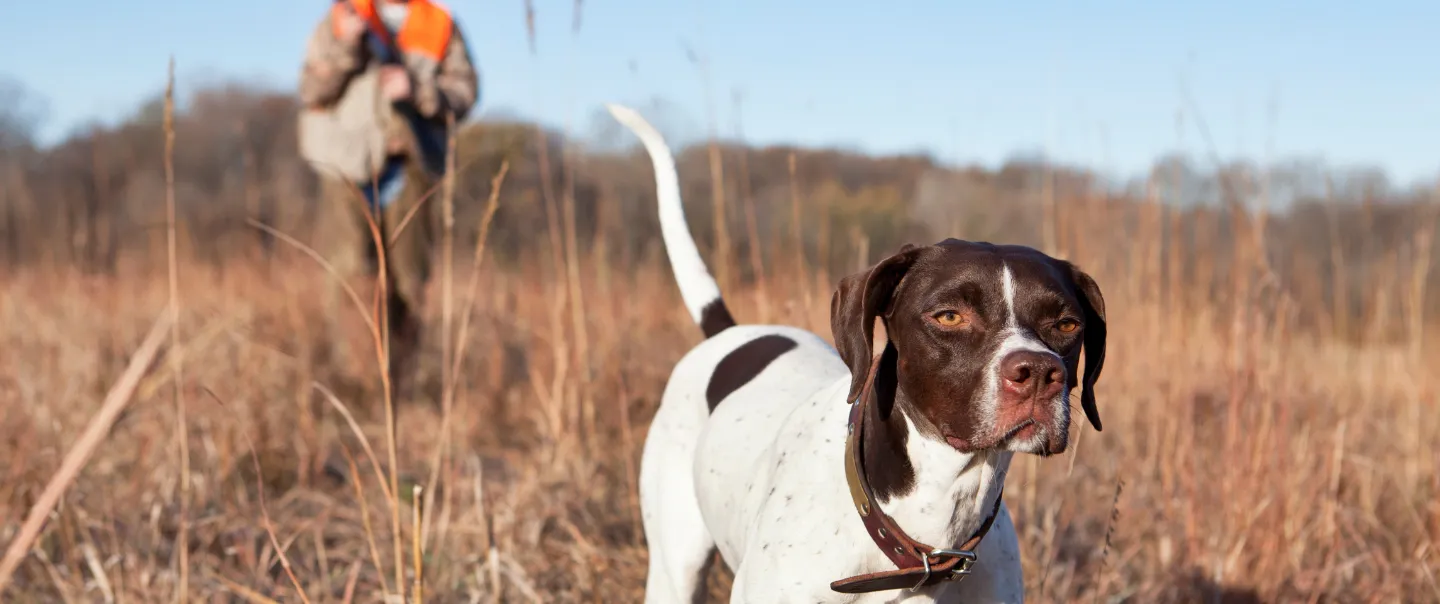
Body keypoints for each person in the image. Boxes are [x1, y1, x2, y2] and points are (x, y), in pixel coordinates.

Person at [297, 0, 478, 397]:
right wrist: (346, 45)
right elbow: (310, 90)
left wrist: (419, 91)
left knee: (410, 279)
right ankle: (358, 385)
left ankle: (400, 382)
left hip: (411, 164)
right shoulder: (342, 18)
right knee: (350, 274)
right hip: (345, 165)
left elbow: (465, 94)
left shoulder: (438, 24)